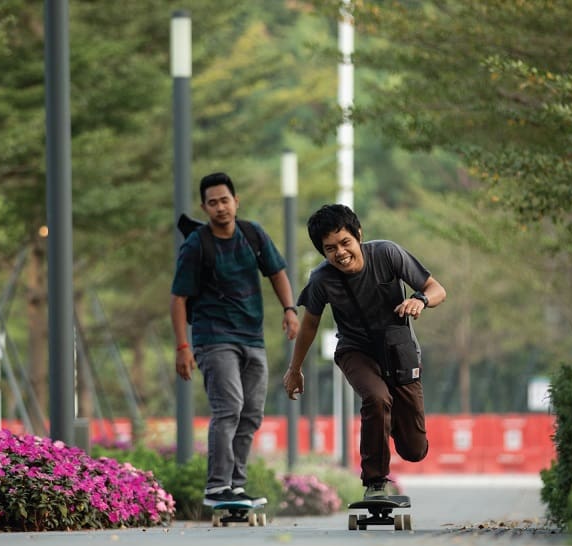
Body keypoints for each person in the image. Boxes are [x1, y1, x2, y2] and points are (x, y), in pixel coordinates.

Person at [283, 204, 446, 499]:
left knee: (415, 450)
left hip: (399, 349)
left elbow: (437, 289)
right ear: (323, 252)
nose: (340, 252)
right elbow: (309, 325)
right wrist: (295, 369)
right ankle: (375, 482)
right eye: (330, 248)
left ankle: (385, 418)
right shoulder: (321, 279)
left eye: (345, 242)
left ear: (358, 234)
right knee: (376, 397)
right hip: (354, 350)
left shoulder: (387, 254)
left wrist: (420, 300)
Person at [171, 172, 300, 507]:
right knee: (228, 408)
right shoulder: (196, 244)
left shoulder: (252, 234)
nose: (220, 207)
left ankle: (236, 486)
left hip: (252, 337)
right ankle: (217, 486)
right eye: (212, 203)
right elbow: (179, 298)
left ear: (236, 201)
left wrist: (289, 309)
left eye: (225, 200)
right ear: (204, 207)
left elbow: (277, 273)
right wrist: (183, 347)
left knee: (251, 413)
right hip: (213, 338)